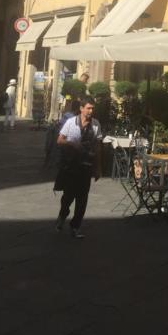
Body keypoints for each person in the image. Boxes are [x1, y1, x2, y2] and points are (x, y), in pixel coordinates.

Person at [54, 98, 102, 238]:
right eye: (88, 108)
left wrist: (98, 168)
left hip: (86, 166)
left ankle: (75, 227)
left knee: (82, 199)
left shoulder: (95, 124)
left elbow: (98, 147)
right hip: (71, 165)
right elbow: (59, 140)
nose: (90, 111)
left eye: (92, 108)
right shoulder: (71, 122)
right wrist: (72, 144)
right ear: (81, 108)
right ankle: (63, 215)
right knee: (68, 196)